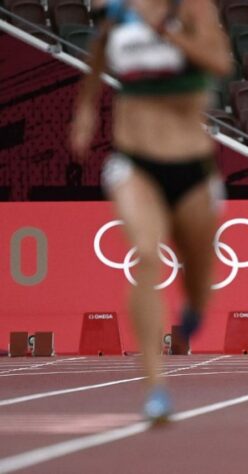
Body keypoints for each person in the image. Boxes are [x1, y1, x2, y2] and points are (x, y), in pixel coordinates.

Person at [70, 0, 232, 423]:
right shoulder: (116, 11)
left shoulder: (194, 9)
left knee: (198, 274)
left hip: (192, 164)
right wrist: (86, 109)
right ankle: (155, 387)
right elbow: (97, 58)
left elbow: (218, 61)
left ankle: (194, 305)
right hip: (134, 160)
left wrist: (164, 30)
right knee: (145, 254)